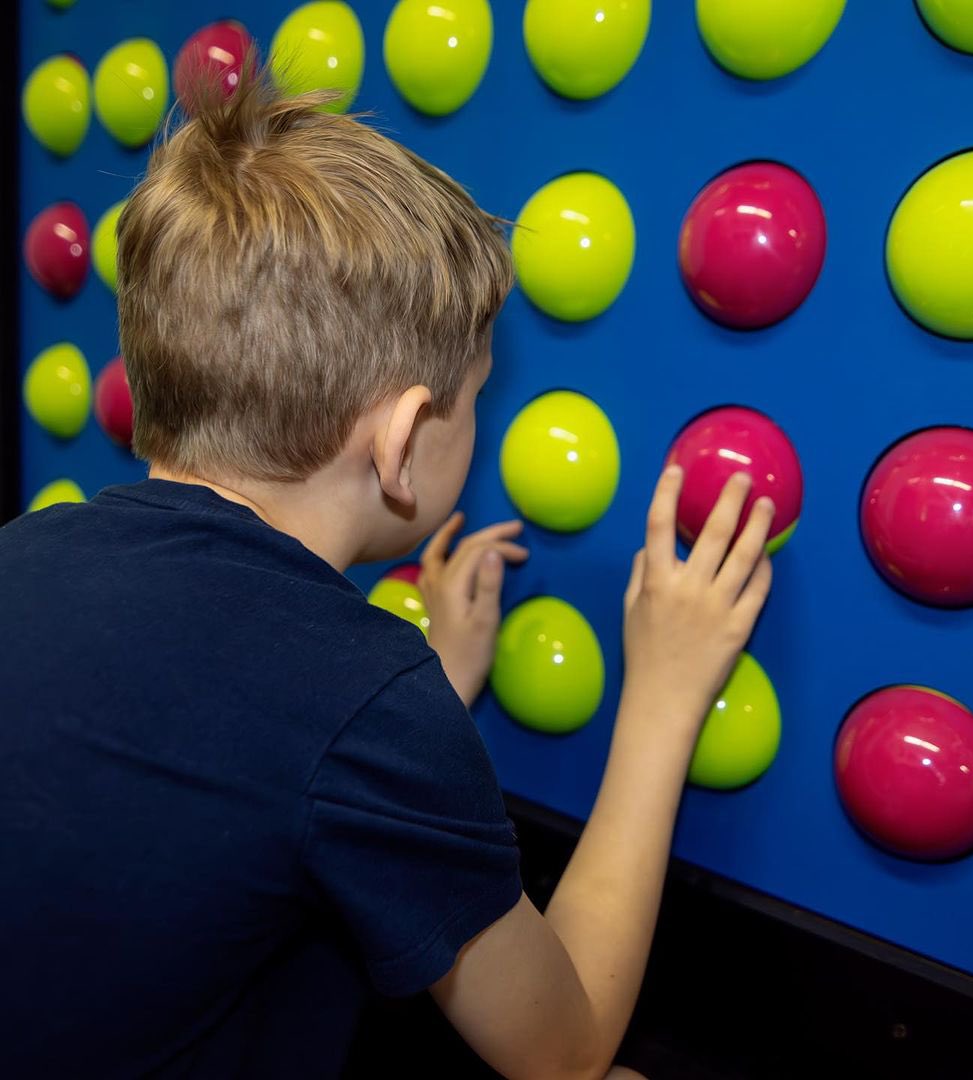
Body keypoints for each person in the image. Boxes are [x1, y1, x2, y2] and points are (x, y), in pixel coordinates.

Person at [0, 70, 773, 1080]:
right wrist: (664, 698)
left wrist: (433, 681)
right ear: (404, 439)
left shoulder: (26, 552)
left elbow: (219, 772)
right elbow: (564, 1049)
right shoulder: (363, 698)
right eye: (479, 396)